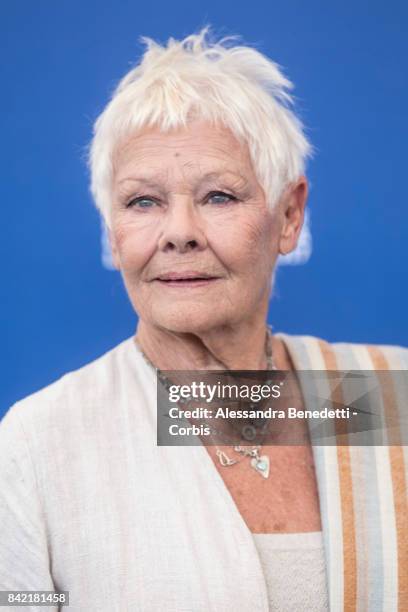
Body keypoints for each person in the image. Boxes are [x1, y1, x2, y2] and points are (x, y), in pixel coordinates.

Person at [1, 28, 407, 612]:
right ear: (112, 233)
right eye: (143, 201)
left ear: (288, 216)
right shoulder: (40, 445)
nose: (180, 232)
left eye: (219, 196)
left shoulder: (381, 395)